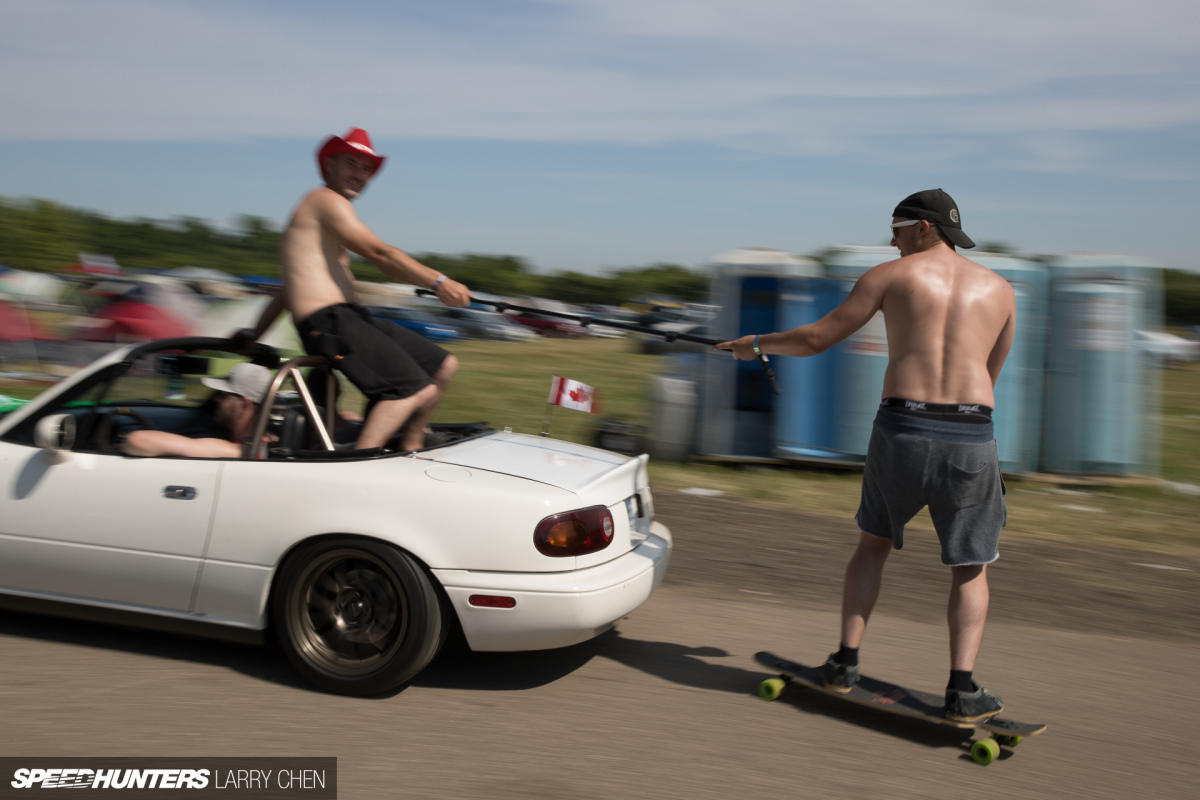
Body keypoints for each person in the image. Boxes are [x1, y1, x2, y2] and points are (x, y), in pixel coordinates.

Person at [716, 189, 1016, 722]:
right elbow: (991, 373)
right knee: (971, 568)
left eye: (896, 229)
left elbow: (816, 339)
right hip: (971, 432)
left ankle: (844, 664)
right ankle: (963, 691)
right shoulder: (1001, 290)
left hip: (902, 428)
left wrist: (755, 344)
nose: (892, 241)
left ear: (923, 228)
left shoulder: (889, 276)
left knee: (873, 545)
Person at [242, 127, 472, 452]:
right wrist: (438, 282)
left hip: (350, 317)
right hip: (329, 322)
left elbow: (287, 290)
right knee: (410, 390)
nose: (360, 174)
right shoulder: (324, 200)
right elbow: (380, 254)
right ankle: (359, 464)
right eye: (351, 163)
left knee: (442, 366)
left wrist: (254, 334)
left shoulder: (323, 226)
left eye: (366, 169)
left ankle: (411, 443)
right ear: (330, 165)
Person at [121, 363, 273, 458]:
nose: (216, 399)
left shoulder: (233, 451)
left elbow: (136, 440)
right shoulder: (269, 442)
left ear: (245, 404)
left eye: (223, 395)